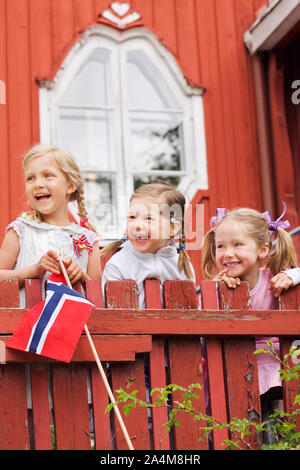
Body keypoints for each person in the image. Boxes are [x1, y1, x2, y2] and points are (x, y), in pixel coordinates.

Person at [202, 204, 300, 440]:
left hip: (273, 360)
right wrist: (216, 294)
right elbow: (201, 334)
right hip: (232, 362)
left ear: (263, 249)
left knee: (272, 419)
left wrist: (292, 275)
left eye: (237, 244)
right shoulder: (216, 289)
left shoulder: (275, 280)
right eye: (221, 246)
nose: (228, 253)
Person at [0, 143, 101, 307]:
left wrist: (81, 276)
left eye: (48, 175)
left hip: (73, 330)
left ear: (70, 186)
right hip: (25, 329)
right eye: (30, 178)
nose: (38, 184)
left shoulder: (88, 240)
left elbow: (97, 298)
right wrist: (33, 271)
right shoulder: (20, 231)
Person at [100, 181, 195, 308]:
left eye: (148, 218)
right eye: (132, 217)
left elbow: (191, 309)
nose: (137, 225)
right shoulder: (118, 265)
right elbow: (110, 313)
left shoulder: (182, 266)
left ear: (172, 228)